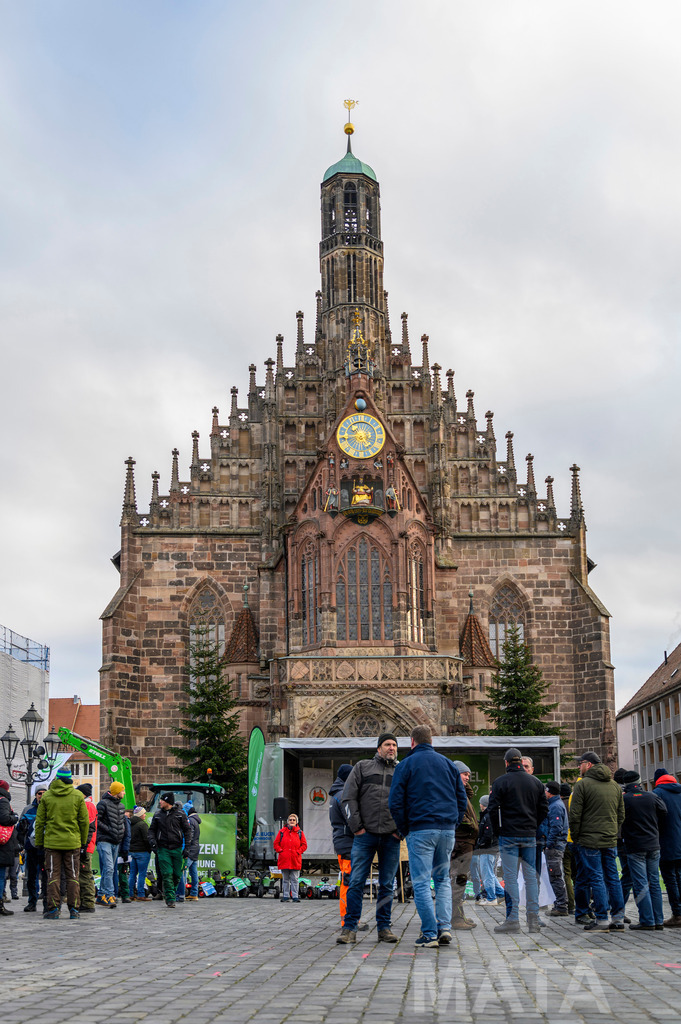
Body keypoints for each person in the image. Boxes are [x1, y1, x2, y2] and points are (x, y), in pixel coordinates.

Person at [389, 725, 467, 947]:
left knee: (422, 882)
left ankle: (429, 933)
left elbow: (395, 802)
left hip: (420, 828)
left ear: (412, 742)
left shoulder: (406, 765)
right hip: (446, 829)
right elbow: (461, 799)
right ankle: (445, 928)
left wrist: (405, 828)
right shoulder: (448, 764)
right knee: (442, 880)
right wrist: (453, 822)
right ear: (432, 741)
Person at [337, 733, 401, 944]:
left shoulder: (401, 771)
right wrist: (357, 828)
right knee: (356, 882)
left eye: (394, 745)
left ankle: (384, 928)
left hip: (391, 837)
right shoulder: (362, 767)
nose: (391, 748)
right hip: (365, 836)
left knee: (387, 884)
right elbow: (348, 798)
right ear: (378, 748)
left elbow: (411, 802)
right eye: (387, 744)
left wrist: (400, 830)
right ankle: (349, 928)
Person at [487, 747, 548, 934]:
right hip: (529, 834)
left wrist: (499, 830)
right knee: (531, 878)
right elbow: (544, 809)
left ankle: (513, 919)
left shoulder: (500, 782)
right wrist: (533, 825)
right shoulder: (535, 782)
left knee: (510, 878)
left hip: (508, 835)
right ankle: (533, 920)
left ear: (506, 763)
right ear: (521, 762)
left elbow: (492, 809)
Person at [569, 751, 625, 931]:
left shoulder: (582, 785)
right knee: (613, 878)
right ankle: (618, 919)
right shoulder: (614, 785)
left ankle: (602, 919)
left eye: (581, 763)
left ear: (589, 765)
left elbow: (575, 815)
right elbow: (621, 814)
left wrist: (576, 837)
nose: (579, 766)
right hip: (609, 839)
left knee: (596, 878)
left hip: (589, 840)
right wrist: (612, 831)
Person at [34, 766, 89, 920]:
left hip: (52, 843)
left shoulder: (47, 796)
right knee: (73, 876)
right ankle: (74, 910)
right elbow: (84, 821)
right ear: (70, 779)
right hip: (72, 843)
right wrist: (83, 842)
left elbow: (40, 822)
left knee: (53, 876)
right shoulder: (77, 796)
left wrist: (39, 842)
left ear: (57, 778)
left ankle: (53, 909)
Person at [621, 770, 666, 930]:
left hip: (635, 845)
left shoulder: (624, 799)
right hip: (653, 844)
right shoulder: (652, 797)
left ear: (625, 784)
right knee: (654, 882)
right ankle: (658, 920)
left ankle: (647, 920)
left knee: (640, 883)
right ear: (639, 782)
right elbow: (664, 812)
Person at [449, 760, 480, 930]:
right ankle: (456, 918)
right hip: (461, 841)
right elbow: (457, 814)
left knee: (461, 880)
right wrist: (471, 825)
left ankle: (459, 915)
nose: (468, 777)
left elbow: (469, 794)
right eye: (464, 774)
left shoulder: (460, 791)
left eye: (469, 775)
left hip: (465, 841)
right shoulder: (453, 792)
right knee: (458, 880)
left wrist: (462, 781)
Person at [148, 792, 192, 909]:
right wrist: (153, 843)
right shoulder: (158, 814)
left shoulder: (180, 814)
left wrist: (187, 847)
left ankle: (170, 891)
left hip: (177, 848)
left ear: (168, 802)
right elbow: (151, 830)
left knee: (177, 875)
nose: (160, 802)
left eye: (162, 800)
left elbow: (187, 831)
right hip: (163, 849)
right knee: (167, 874)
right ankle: (170, 898)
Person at [329, 764, 358, 929]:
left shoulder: (336, 794)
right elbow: (351, 820)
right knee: (348, 882)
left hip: (342, 843)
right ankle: (347, 920)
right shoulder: (342, 795)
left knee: (348, 881)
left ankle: (349, 918)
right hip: (348, 844)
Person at [653, 772, 681, 927]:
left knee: (670, 879)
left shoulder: (657, 794)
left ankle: (677, 914)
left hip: (666, 843)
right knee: (679, 877)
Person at [17, 783, 47, 913]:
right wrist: (22, 827)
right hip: (31, 846)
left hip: (46, 846)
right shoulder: (28, 809)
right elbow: (19, 828)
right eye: (39, 793)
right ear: (36, 795)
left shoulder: (50, 807)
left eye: (44, 793)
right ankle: (32, 901)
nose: (42, 795)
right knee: (31, 876)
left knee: (46, 876)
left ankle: (46, 902)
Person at [96, 780, 126, 907]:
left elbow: (122, 822)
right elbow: (96, 820)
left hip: (116, 841)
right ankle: (110, 895)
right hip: (104, 840)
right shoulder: (103, 804)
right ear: (116, 792)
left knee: (109, 869)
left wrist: (121, 832)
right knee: (109, 868)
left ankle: (101, 895)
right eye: (122, 790)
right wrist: (109, 830)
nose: (124, 793)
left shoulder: (121, 806)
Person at [542, 781, 569, 916]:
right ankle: (560, 904)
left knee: (555, 875)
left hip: (554, 846)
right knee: (556, 875)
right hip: (556, 845)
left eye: (546, 791)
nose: (544, 793)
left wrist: (549, 844)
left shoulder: (555, 806)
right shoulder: (555, 804)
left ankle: (561, 906)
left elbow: (556, 827)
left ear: (549, 792)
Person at [474, 794, 503, 905]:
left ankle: (491, 898)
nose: (480, 805)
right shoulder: (490, 815)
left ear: (484, 804)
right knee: (490, 873)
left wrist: (479, 845)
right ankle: (501, 894)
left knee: (487, 874)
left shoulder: (488, 816)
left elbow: (488, 835)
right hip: (492, 849)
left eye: (481, 803)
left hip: (487, 849)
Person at [274, 813, 307, 903]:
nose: (292, 821)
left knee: (295, 879)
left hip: (295, 859)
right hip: (284, 859)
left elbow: (304, 845)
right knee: (285, 879)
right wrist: (281, 851)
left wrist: (298, 852)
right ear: (288, 821)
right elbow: (276, 843)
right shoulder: (281, 832)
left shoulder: (300, 833)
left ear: (296, 822)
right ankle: (285, 896)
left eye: (293, 820)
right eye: (290, 820)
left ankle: (295, 896)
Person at [75, 783, 97, 913]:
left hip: (86, 846)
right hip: (86, 845)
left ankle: (88, 903)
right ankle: (85, 901)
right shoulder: (88, 805)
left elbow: (88, 828)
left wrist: (84, 846)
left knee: (85, 875)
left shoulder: (88, 806)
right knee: (83, 874)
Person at [0, 780, 19, 917]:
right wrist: (15, 817)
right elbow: (5, 819)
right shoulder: (3, 801)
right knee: (1, 876)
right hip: (2, 846)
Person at [177, 807, 201, 901]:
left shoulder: (190, 821)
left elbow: (189, 836)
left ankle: (181, 893)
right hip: (195, 849)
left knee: (183, 871)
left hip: (190, 850)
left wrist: (185, 848)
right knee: (194, 872)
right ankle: (194, 893)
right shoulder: (196, 821)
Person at [129, 805, 153, 901]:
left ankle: (130, 894)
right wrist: (149, 849)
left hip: (131, 851)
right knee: (142, 874)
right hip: (142, 852)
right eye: (144, 813)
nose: (145, 815)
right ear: (140, 815)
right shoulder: (142, 825)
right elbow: (147, 839)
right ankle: (141, 894)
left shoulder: (129, 823)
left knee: (132, 874)